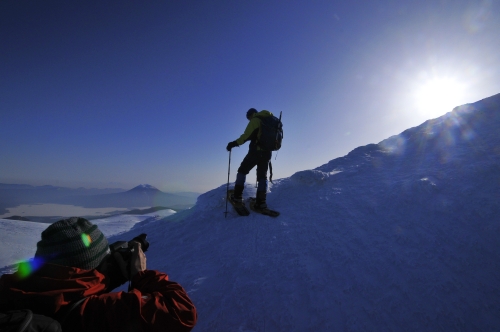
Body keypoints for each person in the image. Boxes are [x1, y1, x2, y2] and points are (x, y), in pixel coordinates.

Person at [0, 217, 197, 332]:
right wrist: (140, 275)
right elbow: (182, 312)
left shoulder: (11, 291)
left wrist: (101, 278)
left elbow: (68, 288)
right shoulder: (91, 313)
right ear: (89, 267)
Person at [226, 108, 274, 210]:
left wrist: (233, 144)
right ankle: (261, 203)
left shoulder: (255, 120)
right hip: (267, 154)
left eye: (248, 118)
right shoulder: (269, 120)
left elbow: (246, 136)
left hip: (256, 152)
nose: (248, 120)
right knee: (262, 177)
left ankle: (237, 197)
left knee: (242, 171)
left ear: (250, 115)